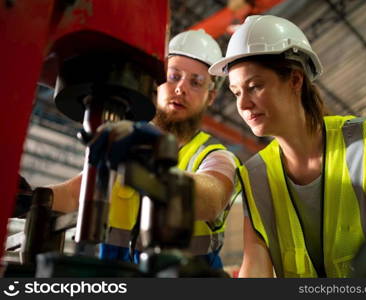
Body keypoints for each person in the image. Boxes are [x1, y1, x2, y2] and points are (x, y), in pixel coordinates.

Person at [209, 15, 366, 277]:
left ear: (296, 80)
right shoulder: (254, 175)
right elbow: (256, 269)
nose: (243, 105)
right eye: (236, 92)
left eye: (255, 86)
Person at [50, 29, 240, 269]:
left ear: (210, 97)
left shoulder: (216, 156)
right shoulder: (123, 142)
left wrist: (152, 161)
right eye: (174, 76)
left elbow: (212, 199)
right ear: (156, 82)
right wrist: (31, 198)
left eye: (196, 82)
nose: (181, 89)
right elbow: (73, 194)